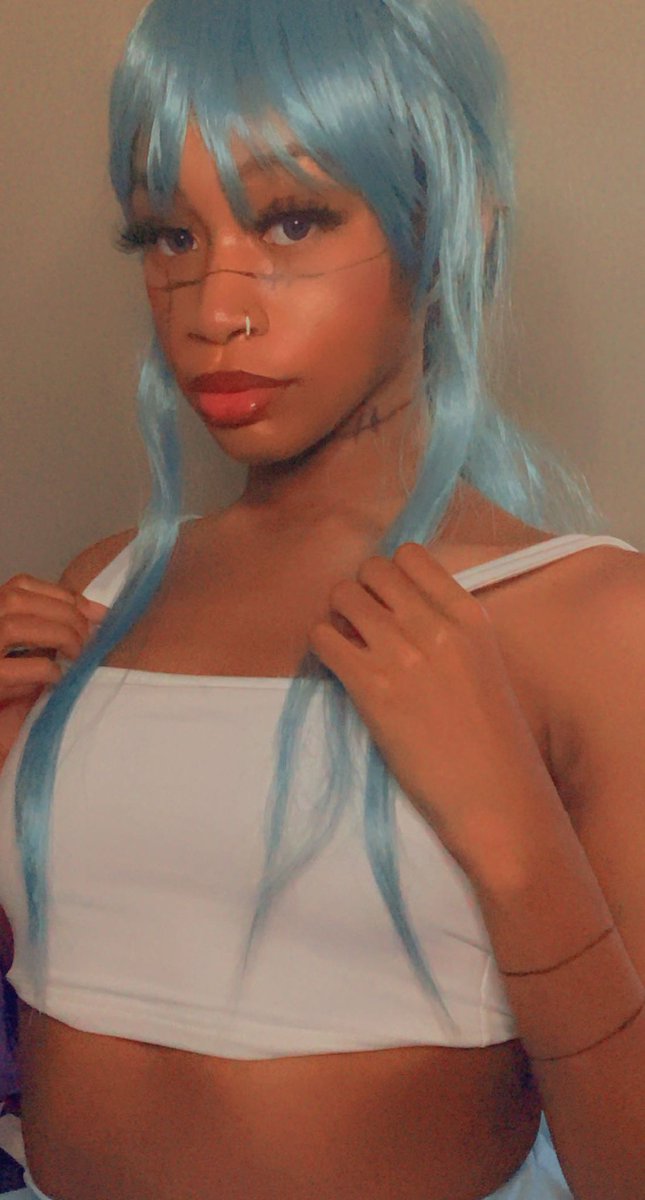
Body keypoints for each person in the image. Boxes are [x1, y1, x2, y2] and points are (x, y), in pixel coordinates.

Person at [0, 0, 643, 1197]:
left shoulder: (589, 619)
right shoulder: (102, 589)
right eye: (168, 235)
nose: (212, 309)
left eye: (292, 220)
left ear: (451, 228)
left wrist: (515, 834)